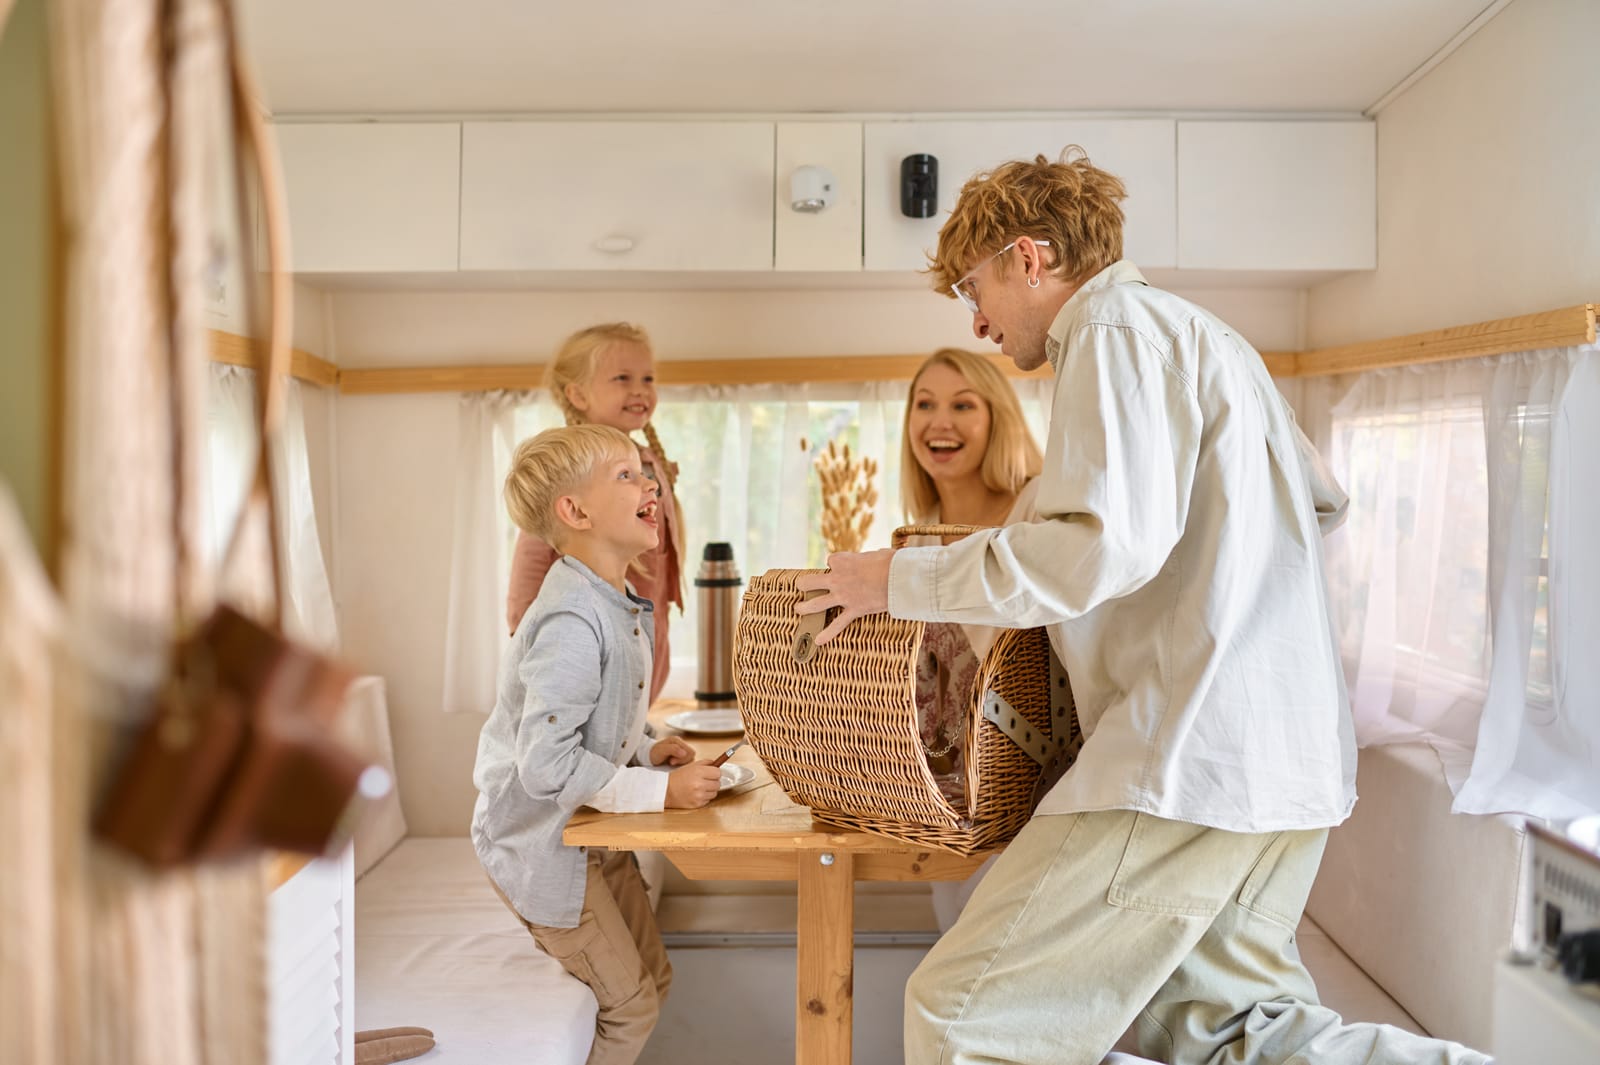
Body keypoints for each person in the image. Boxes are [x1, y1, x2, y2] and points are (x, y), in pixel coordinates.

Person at [796, 151, 1489, 1064]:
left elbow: (1104, 545)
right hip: (1285, 764)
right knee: (1241, 1034)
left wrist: (893, 581)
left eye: (976, 285)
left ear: (1030, 258)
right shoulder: (1214, 342)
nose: (977, 318)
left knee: (963, 1015)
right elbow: (1323, 501)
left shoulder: (1112, 326)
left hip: (1185, 758)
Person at [473, 423, 723, 1065]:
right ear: (574, 511)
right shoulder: (570, 620)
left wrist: (646, 749)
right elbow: (546, 763)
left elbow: (596, 722)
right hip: (545, 849)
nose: (650, 484)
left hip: (588, 832)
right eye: (626, 475)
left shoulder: (614, 603)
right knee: (631, 1004)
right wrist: (661, 791)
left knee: (656, 979)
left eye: (645, 472)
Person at [899, 347, 1043, 931]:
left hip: (1038, 791)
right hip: (948, 803)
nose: (940, 421)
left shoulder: (1037, 510)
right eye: (925, 404)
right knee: (955, 957)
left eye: (964, 405)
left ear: (997, 418)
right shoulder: (916, 544)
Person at [507, 323, 684, 704]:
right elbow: (533, 553)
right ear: (578, 394)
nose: (640, 389)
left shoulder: (648, 462)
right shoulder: (569, 467)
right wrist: (528, 627)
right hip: (590, 629)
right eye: (622, 377)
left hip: (645, 619)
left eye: (648, 378)